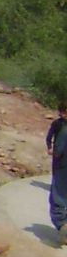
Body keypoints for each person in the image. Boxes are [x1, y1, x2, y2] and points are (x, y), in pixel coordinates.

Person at [52, 102, 67, 239]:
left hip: (62, 167)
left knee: (58, 196)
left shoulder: (64, 130)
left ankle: (62, 225)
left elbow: (57, 150)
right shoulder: (59, 125)